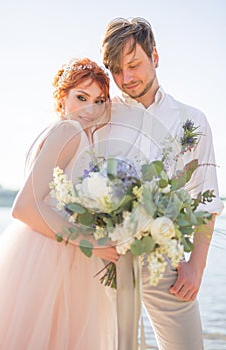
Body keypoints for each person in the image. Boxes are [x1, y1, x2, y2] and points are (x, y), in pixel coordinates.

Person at [100, 17, 224, 349]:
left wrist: (195, 268)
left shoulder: (192, 121)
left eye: (134, 65)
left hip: (164, 263)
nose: (126, 79)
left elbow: (207, 200)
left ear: (155, 56)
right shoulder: (101, 118)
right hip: (104, 261)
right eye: (116, 70)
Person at [0, 57, 118, 350]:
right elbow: (24, 207)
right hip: (52, 255)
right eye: (81, 97)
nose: (91, 109)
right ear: (62, 100)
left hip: (43, 251)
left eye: (99, 101)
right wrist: (90, 242)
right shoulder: (68, 132)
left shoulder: (59, 132)